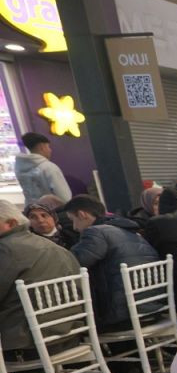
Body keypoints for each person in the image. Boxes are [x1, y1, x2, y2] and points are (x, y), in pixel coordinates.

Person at [65, 195, 159, 329]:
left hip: (123, 315)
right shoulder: (128, 229)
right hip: (152, 307)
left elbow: (74, 264)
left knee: (82, 328)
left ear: (82, 214)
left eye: (72, 220)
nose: (74, 227)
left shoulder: (95, 232)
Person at [0, 200, 79, 354]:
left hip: (26, 342)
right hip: (69, 332)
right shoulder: (54, 246)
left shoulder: (5, 250)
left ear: (10, 223)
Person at [15, 132, 72, 205]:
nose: (50, 150)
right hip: (51, 212)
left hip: (32, 211)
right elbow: (65, 197)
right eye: (48, 147)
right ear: (42, 147)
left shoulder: (20, 168)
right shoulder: (48, 167)